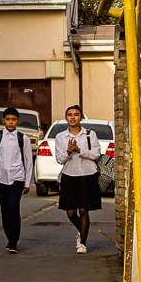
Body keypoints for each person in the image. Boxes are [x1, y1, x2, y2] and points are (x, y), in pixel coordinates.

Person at [49, 104, 104, 253]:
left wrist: (79, 150)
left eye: (76, 115)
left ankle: (83, 243)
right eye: (70, 115)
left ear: (81, 117)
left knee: (84, 209)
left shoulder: (89, 134)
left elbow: (96, 154)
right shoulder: (61, 137)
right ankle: (82, 230)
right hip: (70, 175)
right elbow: (60, 159)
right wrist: (68, 151)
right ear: (66, 117)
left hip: (88, 174)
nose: (73, 117)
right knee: (71, 211)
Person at [0, 106, 32, 252]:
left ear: (17, 121)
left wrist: (27, 182)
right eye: (8, 119)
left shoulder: (23, 138)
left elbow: (28, 160)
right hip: (1, 178)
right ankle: (9, 236)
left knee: (13, 207)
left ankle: (13, 241)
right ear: (4, 120)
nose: (11, 122)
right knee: (5, 210)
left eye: (13, 120)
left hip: (18, 178)